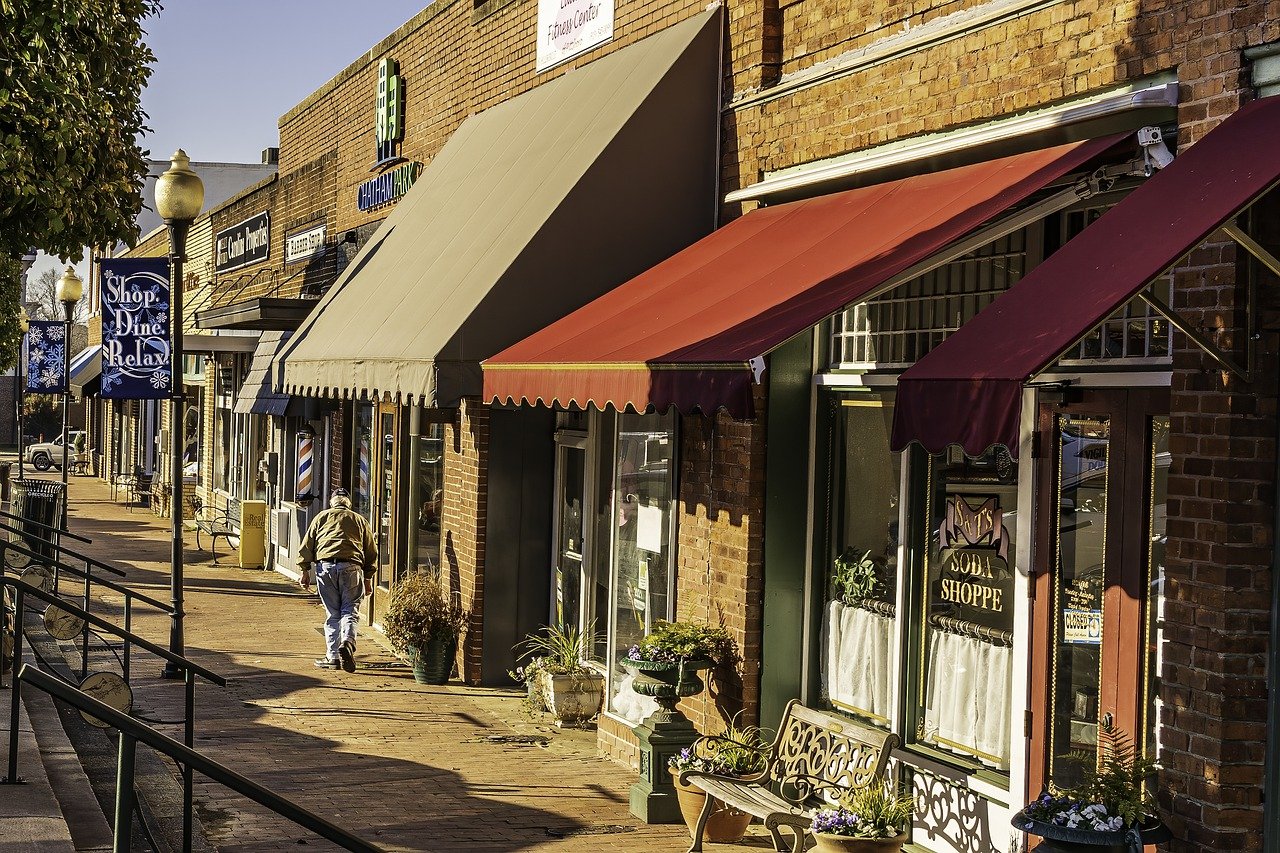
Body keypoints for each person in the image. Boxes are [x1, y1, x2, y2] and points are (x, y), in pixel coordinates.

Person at [297, 487, 378, 672]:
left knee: (333, 613)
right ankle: (348, 643)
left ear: (331, 502)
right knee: (350, 610)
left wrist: (304, 571)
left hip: (325, 567)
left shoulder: (321, 517)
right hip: (351, 567)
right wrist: (368, 578)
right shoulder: (360, 520)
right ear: (348, 504)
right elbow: (371, 552)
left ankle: (332, 657)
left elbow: (307, 545)